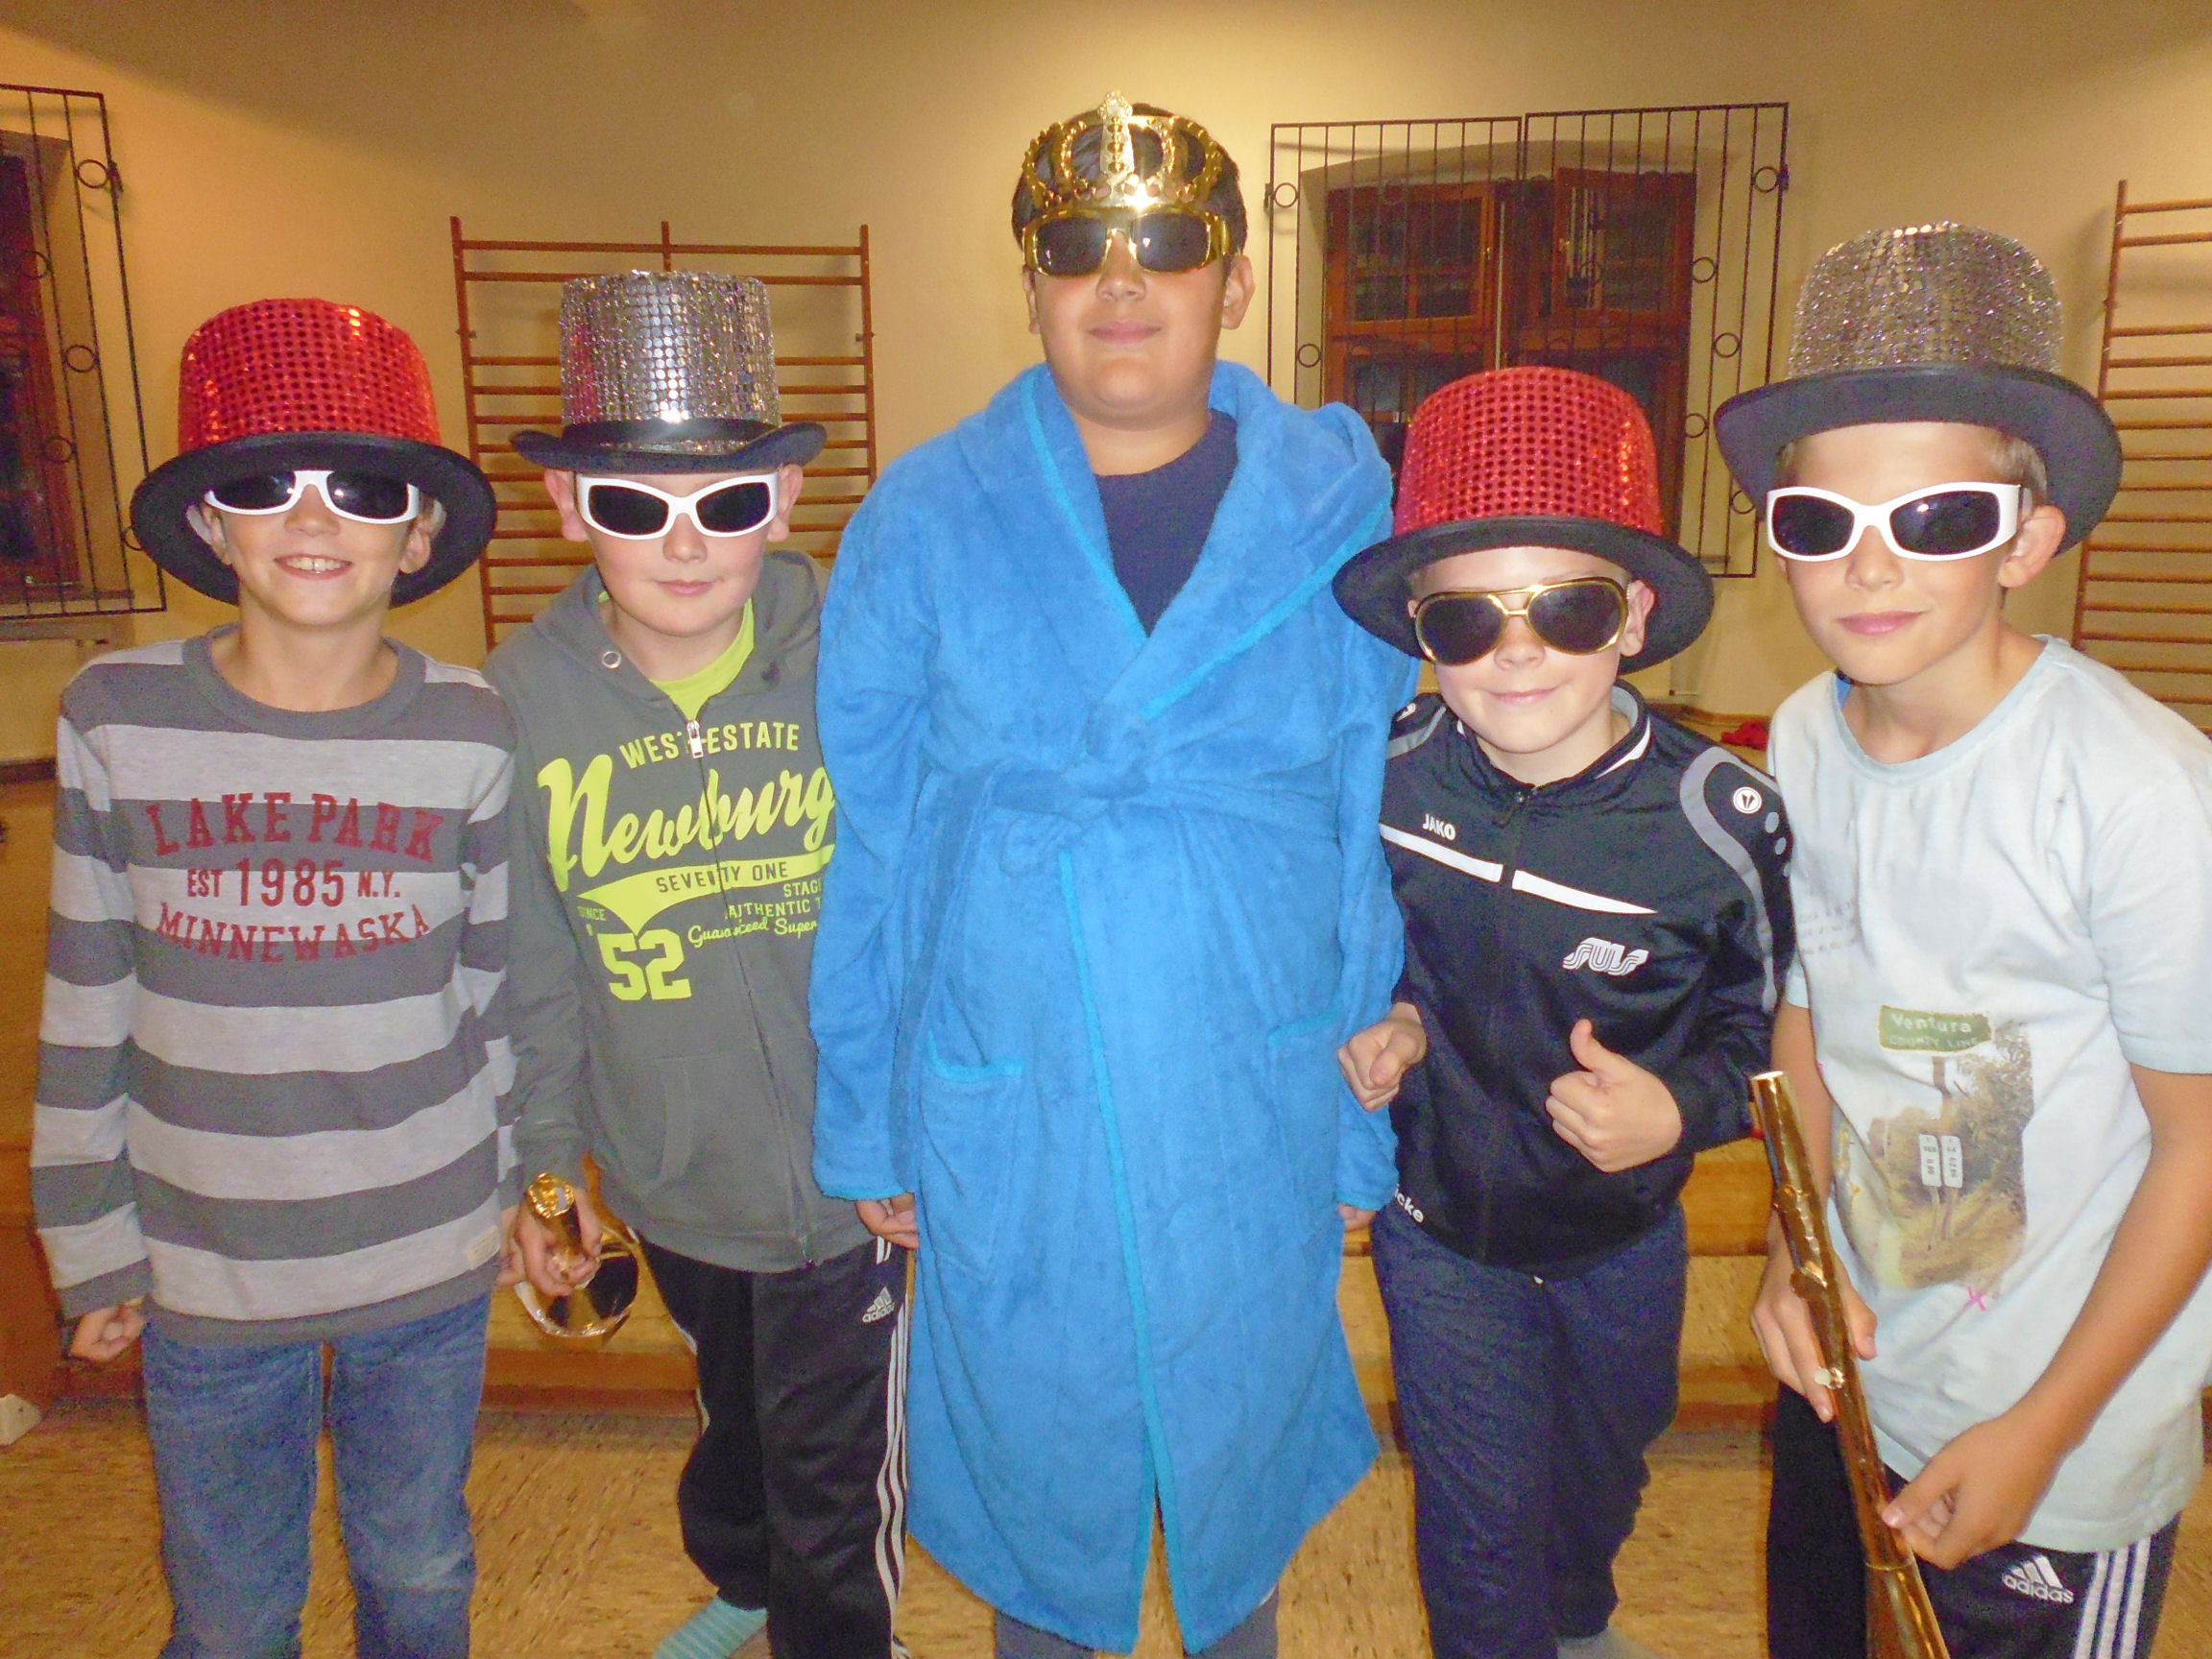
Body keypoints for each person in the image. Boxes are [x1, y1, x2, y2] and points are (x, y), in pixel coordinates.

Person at [806, 93, 1412, 1658]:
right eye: (1077, 248)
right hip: (1016, 1074)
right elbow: (873, 834)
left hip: (1252, 1072)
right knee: (1042, 1490)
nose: (1121, 282)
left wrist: (1359, 1122)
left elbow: (1367, 808)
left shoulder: (1341, 509)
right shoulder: (925, 512)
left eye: (1167, 243)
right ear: (1032, 282)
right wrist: (868, 1107)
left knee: (1238, 1472)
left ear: (1235, 277)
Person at [1719, 224, 2212, 1659]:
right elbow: (1810, 1015)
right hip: (1854, 1382)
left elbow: (2200, 1145)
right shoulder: (1801, 736)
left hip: (2054, 1438)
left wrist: (2044, 1430)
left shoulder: (2138, 792)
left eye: (1936, 518)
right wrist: (1791, 1255)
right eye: (1821, 523)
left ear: (2028, 541)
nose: (1870, 567)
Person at [30, 297, 513, 1659]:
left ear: (418, 532)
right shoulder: (116, 715)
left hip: (426, 1246)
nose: (312, 518)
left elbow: (492, 995)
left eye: (362, 489)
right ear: (210, 522)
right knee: (233, 1606)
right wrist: (89, 1236)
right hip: (207, 1260)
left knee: (420, 1568)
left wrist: (517, 1193)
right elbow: (85, 996)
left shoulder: (472, 727)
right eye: (263, 485)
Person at [1331, 366, 1791, 1659]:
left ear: (1633, 615)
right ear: (1423, 634)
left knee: (1601, 1475)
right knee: (1476, 1523)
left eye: (1567, 607)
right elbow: (1361, 950)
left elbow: (1778, 1045)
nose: (1518, 652)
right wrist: (1396, 1021)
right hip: (1440, 1239)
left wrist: (1680, 1110)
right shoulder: (1388, 782)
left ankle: (1576, 1619)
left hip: (1622, 1243)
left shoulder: (1720, 822)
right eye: (1467, 620)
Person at [490, 272, 906, 1659]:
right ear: (568, 506)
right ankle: (746, 1574)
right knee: (739, 1410)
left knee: (836, 1474)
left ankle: (833, 1630)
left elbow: (937, 898)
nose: (683, 544)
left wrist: (919, 1112)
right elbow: (537, 964)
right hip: (670, 1170)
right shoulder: (521, 704)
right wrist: (546, 1163)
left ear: (782, 502)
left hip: (855, 1175)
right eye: (633, 504)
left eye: (724, 504)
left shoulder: (862, 660)